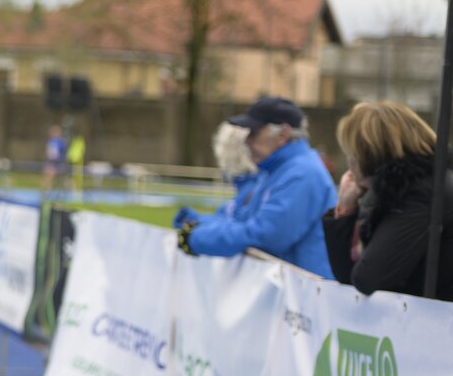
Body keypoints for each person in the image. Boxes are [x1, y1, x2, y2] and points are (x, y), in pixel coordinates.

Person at [175, 96, 336, 277]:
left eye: (253, 133)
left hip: (304, 290)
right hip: (291, 287)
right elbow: (241, 219)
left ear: (283, 135)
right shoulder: (276, 171)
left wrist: (197, 239)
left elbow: (267, 236)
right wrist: (199, 224)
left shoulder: (302, 173)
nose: (246, 141)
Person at [323, 101, 453, 299]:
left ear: (370, 155)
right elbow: (349, 277)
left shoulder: (422, 192)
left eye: (352, 154)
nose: (349, 162)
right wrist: (345, 209)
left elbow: (368, 278)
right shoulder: (399, 190)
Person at [41, 125, 66, 194]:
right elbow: (49, 153)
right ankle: (45, 190)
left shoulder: (60, 142)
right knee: (47, 174)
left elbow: (59, 154)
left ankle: (47, 191)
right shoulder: (51, 142)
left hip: (58, 164)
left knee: (52, 175)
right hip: (51, 163)